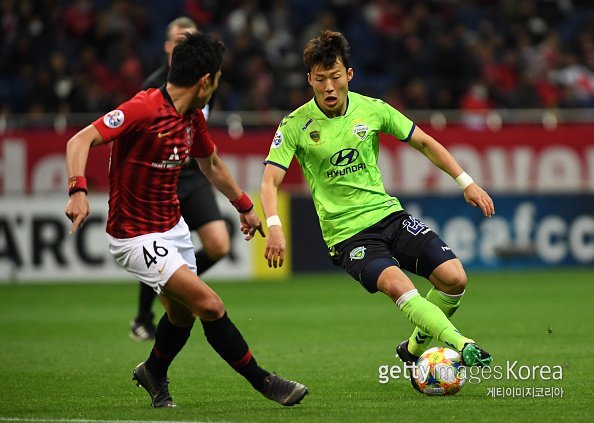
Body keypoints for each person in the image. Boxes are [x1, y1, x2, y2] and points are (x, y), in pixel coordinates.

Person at [65, 32, 308, 408]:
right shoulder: (143, 108)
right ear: (205, 80)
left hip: (172, 228)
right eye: (218, 79)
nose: (218, 86)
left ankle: (153, 371)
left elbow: (211, 163)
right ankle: (265, 382)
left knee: (182, 316)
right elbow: (79, 141)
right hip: (135, 236)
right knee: (209, 305)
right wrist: (78, 190)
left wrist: (244, 205)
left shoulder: (192, 117)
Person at [260, 30, 494, 388]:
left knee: (454, 278)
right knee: (400, 286)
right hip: (348, 235)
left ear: (349, 75)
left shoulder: (373, 109)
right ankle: (462, 343)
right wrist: (275, 225)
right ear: (309, 80)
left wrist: (467, 182)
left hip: (389, 216)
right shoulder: (295, 125)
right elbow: (269, 181)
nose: (329, 87)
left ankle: (413, 349)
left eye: (335, 77)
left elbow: (424, 142)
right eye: (320, 79)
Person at [130, 16, 233, 342]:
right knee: (156, 251)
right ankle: (143, 316)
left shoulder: (205, 83)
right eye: (178, 40)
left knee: (219, 245)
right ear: (167, 47)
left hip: (194, 175)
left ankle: (180, 285)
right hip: (164, 176)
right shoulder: (153, 87)